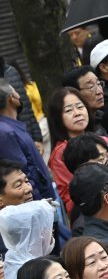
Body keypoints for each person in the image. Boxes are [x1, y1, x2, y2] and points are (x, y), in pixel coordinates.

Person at [0, 81, 56, 214]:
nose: (19, 95)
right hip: (38, 204)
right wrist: (40, 203)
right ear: (11, 98)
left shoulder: (11, 126)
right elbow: (22, 171)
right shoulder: (5, 132)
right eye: (15, 91)